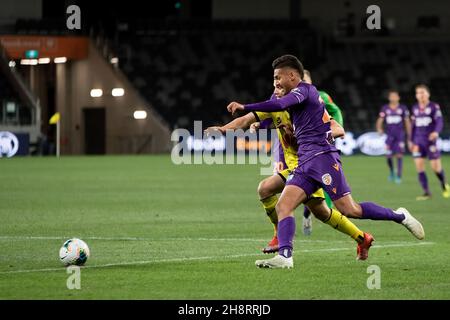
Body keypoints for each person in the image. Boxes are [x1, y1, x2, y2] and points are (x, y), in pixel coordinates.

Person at [227, 54, 425, 269]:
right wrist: (250, 124)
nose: (275, 82)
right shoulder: (295, 101)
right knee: (284, 205)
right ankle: (285, 257)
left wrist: (245, 106)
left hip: (322, 157)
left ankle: (400, 216)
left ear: (292, 75)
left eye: (278, 77)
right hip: (305, 161)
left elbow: (282, 103)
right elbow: (276, 113)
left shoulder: (305, 90)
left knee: (351, 210)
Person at [206, 86, 374, 260]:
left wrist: (317, 136)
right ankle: (362, 237)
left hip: (307, 165)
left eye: (280, 82)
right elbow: (245, 120)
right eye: (275, 82)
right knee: (321, 212)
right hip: (295, 166)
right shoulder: (275, 106)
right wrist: (223, 129)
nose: (277, 88)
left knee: (267, 190)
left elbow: (337, 128)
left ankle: (282, 242)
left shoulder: (308, 107)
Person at [301, 69, 345, 236]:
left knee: (327, 181)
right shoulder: (293, 98)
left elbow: (335, 111)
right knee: (306, 183)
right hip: (304, 148)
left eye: (306, 78)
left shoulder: (321, 96)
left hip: (324, 144)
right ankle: (309, 211)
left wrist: (336, 130)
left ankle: (317, 211)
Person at [409, 84, 450, 200]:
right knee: (419, 167)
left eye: (423, 92)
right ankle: (427, 193)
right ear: (416, 96)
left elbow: (439, 121)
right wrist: (411, 141)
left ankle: (444, 185)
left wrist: (436, 132)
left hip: (430, 142)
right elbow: (413, 126)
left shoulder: (434, 107)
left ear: (428, 94)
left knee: (436, 168)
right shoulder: (415, 108)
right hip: (418, 142)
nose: (420, 95)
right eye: (418, 93)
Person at [376, 90, 411, 184]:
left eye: (395, 96)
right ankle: (392, 171)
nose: (393, 98)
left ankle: (399, 176)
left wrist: (409, 135)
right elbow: (380, 119)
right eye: (392, 96)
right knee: (388, 156)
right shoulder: (385, 108)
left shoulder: (403, 108)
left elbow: (407, 121)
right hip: (389, 136)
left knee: (399, 155)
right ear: (389, 98)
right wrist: (379, 128)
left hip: (400, 136)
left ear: (398, 97)